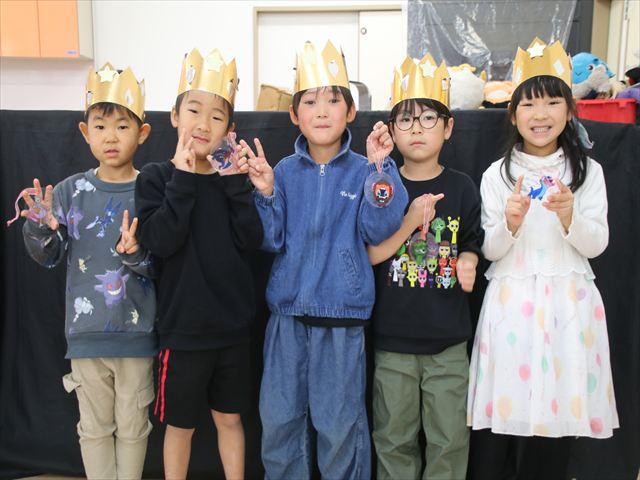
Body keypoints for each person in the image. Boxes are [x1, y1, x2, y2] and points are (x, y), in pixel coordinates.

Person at [240, 40, 408, 479]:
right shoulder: (282, 171)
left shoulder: (365, 169)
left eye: (333, 101)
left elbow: (380, 228)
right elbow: (270, 239)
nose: (321, 111)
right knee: (280, 423)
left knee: (339, 428)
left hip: (341, 321)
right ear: (294, 114)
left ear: (351, 111)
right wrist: (265, 193)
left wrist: (381, 170)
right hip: (286, 320)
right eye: (310, 102)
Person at [467, 38, 619, 479]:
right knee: (503, 420)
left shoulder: (588, 172)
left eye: (553, 102)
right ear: (513, 115)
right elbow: (490, 250)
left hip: (568, 308)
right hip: (512, 308)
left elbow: (598, 244)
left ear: (569, 112)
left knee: (555, 425)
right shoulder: (497, 175)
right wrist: (510, 223)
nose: (541, 114)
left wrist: (571, 216)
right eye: (529, 104)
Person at [21, 63, 156, 479]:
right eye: (100, 126)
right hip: (85, 336)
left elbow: (166, 263)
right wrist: (40, 227)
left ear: (142, 133)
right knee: (94, 429)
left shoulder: (152, 190)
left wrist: (136, 254)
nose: (110, 137)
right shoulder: (68, 191)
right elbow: (48, 256)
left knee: (134, 427)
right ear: (85, 132)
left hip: (137, 335)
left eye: (122, 126)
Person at [134, 48, 262, 480]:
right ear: (174, 116)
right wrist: (184, 177)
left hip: (232, 330)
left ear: (230, 129)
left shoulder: (232, 181)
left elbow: (252, 240)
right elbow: (160, 241)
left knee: (229, 419)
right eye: (193, 110)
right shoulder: (156, 178)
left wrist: (236, 185)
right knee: (180, 425)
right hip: (183, 332)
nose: (204, 124)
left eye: (217, 116)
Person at [368, 54, 482, 480]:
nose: (416, 128)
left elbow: (471, 242)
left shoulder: (462, 187)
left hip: (448, 344)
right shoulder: (382, 185)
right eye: (406, 119)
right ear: (391, 129)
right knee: (392, 438)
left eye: (428, 118)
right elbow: (368, 251)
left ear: (448, 127)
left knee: (449, 440)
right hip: (393, 342)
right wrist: (409, 221)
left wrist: (468, 261)